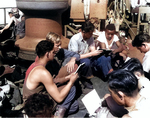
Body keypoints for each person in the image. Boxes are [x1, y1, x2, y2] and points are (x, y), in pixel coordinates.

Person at [23, 40, 79, 118]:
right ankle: (58, 115)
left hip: (31, 102)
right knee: (73, 95)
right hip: (36, 107)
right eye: (53, 52)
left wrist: (67, 78)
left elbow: (53, 82)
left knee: (74, 105)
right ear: (47, 54)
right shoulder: (43, 72)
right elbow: (59, 98)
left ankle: (58, 110)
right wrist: (71, 82)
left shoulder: (34, 65)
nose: (54, 54)